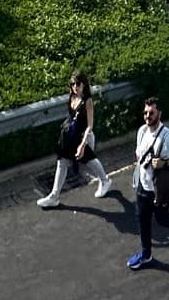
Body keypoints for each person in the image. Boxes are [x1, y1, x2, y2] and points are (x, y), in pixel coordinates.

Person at [126, 96, 169, 270]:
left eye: (151, 113)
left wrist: (164, 163)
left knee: (161, 219)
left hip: (159, 188)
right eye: (145, 113)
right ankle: (146, 256)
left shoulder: (168, 136)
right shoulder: (141, 131)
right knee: (142, 220)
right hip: (143, 185)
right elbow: (139, 153)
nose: (148, 116)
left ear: (159, 114)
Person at [37, 70, 112, 208]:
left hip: (83, 137)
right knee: (62, 162)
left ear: (84, 84)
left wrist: (83, 144)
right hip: (70, 137)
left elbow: (90, 126)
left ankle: (105, 180)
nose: (75, 87)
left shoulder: (87, 101)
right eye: (72, 84)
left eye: (78, 84)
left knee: (90, 161)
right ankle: (54, 196)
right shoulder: (72, 96)